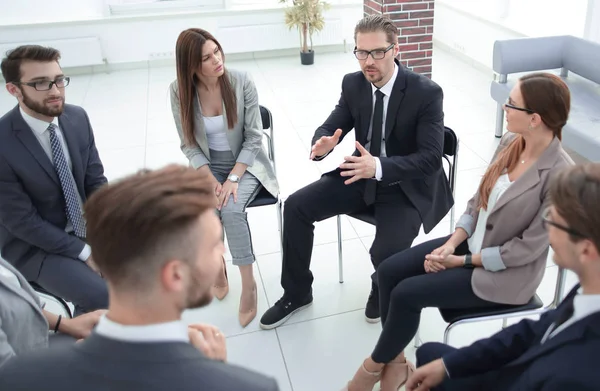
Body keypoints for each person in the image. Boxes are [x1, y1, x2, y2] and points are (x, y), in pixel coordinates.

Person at [343, 72, 574, 391]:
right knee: (388, 271)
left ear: (534, 119)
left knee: (405, 294)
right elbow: (477, 201)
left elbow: (524, 251)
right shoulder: (510, 142)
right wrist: (452, 243)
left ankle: (368, 371)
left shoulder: (561, 175)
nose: (504, 107)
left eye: (512, 104)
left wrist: (459, 262)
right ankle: (396, 365)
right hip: (470, 245)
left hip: (505, 274)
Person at [0, 165, 280, 391]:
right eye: (213, 245)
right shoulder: (252, 386)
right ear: (175, 275)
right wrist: (213, 376)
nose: (222, 249)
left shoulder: (18, 376)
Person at [260, 14, 453, 330]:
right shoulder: (354, 83)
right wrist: (322, 142)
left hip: (406, 186)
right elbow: (335, 121)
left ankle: (380, 285)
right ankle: (296, 292)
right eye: (362, 52)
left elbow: (431, 159)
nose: (369, 61)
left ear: (395, 50)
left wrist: (378, 166)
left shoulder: (426, 92)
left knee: (385, 252)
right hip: (361, 176)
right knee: (296, 207)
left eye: (377, 52)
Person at [407, 162, 600, 391]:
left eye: (553, 222)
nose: (546, 231)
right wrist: (450, 365)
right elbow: (529, 332)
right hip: (518, 371)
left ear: (586, 250)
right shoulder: (587, 291)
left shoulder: (578, 377)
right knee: (430, 354)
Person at [170, 28, 279, 327]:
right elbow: (188, 143)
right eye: (206, 58)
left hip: (246, 165)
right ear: (191, 65)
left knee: (230, 209)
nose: (217, 60)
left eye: (216, 51)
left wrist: (232, 177)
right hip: (208, 166)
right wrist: (207, 177)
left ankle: (249, 284)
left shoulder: (241, 80)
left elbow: (255, 137)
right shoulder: (178, 91)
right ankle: (217, 265)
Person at [0, 45, 108, 315]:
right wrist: (86, 253)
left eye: (59, 80)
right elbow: (23, 223)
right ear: (14, 90)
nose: (56, 91)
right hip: (33, 247)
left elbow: (95, 182)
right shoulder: (2, 142)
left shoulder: (77, 118)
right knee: (101, 295)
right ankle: (85, 350)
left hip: (83, 227)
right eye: (40, 83)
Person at [0, 256, 105, 368]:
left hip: (36, 343)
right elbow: (9, 377)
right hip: (29, 371)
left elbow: (22, 305)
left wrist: (66, 324)